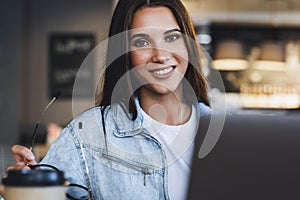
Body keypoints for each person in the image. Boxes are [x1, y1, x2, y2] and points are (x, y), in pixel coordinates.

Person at [1, 0, 211, 199]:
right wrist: (25, 191)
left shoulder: (225, 129)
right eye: (142, 42)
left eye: (171, 37)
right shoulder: (89, 134)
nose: (160, 55)